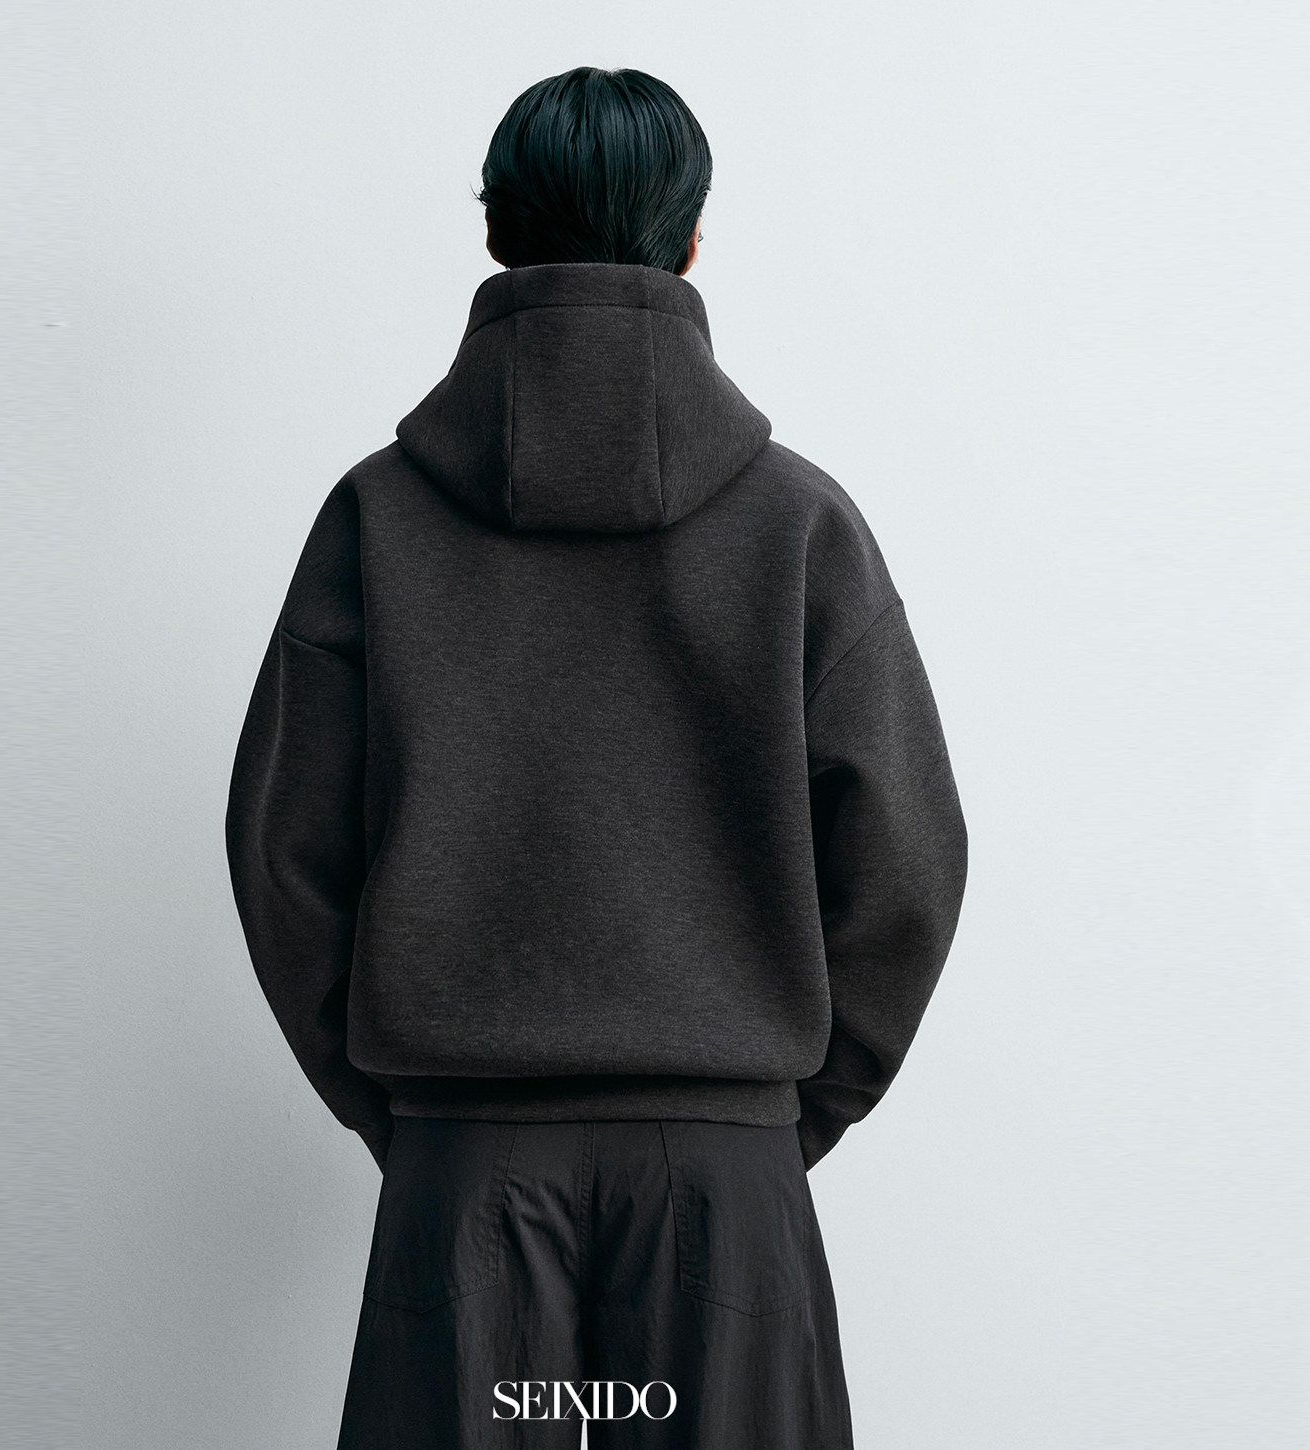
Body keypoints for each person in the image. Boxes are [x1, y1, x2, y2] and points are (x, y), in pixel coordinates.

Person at [226, 65, 968, 1450]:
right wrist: (773, 1115)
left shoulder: (377, 518)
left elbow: (283, 853)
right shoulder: (800, 523)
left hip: (463, 1172)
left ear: (495, 229)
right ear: (690, 239)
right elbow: (907, 864)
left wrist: (406, 1104)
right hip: (724, 1185)